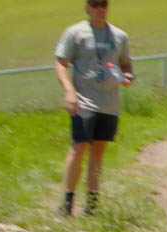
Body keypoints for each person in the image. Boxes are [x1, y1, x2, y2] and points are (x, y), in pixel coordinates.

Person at [54, 0, 133, 216]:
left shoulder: (119, 36)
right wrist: (69, 92)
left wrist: (127, 76)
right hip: (84, 100)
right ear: (87, 7)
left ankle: (92, 204)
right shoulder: (75, 33)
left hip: (109, 102)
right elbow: (60, 63)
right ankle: (67, 203)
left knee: (98, 151)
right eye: (95, 4)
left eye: (104, 4)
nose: (100, 8)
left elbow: (126, 64)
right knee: (79, 146)